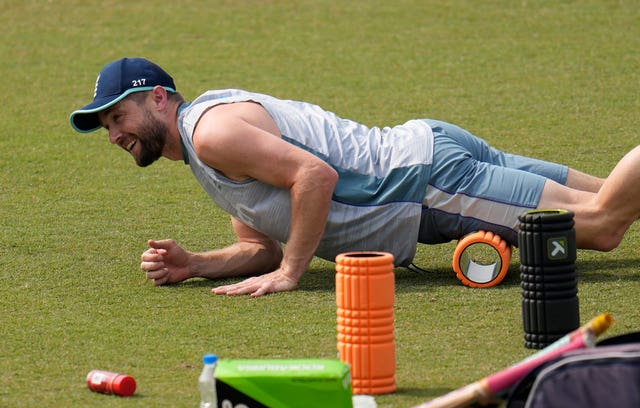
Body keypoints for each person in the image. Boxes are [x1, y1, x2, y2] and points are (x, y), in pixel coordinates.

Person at [70, 57, 635, 297]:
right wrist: (195, 264)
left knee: (604, 224)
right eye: (106, 127)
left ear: (160, 98)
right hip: (428, 155)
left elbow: (313, 177)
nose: (115, 134)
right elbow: (259, 248)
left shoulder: (211, 134)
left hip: (428, 184)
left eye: (118, 117)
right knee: (610, 195)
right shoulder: (205, 143)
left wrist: (293, 274)